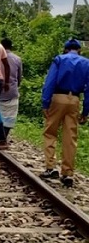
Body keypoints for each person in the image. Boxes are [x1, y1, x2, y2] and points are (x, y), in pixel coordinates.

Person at [39, 39, 89, 187]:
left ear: (65, 49)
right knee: (70, 137)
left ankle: (50, 167)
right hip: (74, 99)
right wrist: (85, 111)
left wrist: (45, 103)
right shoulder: (86, 63)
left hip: (58, 98)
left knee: (50, 132)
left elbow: (50, 82)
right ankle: (67, 173)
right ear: (79, 50)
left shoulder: (59, 59)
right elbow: (88, 89)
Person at [0, 38, 22, 139]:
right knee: (9, 116)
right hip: (12, 91)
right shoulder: (17, 59)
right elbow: (19, 77)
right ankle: (4, 138)